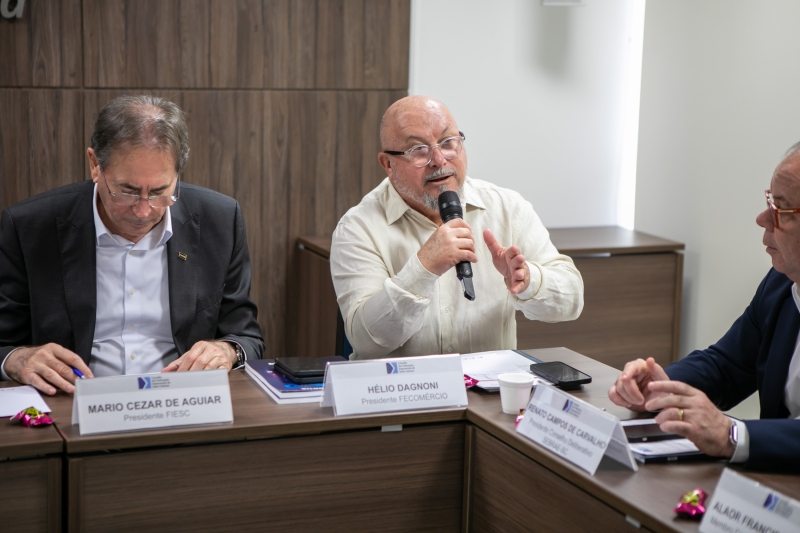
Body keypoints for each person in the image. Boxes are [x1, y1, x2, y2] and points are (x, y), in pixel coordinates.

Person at [0, 95, 265, 395]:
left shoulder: (220, 220)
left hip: (183, 407)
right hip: (74, 408)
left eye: (159, 192)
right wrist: (17, 359)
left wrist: (227, 351)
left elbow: (247, 338)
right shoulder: (30, 228)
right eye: (126, 191)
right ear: (95, 165)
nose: (143, 211)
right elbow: (4, 343)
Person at [330, 95, 584, 360]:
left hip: (489, 395)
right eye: (419, 150)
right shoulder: (357, 228)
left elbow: (572, 301)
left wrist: (528, 279)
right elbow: (366, 340)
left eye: (448, 143)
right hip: (400, 394)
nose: (439, 160)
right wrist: (422, 268)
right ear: (388, 164)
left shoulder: (507, 208)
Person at [608, 145, 800, 471]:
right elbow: (726, 366)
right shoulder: (782, 284)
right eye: (770, 201)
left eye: (780, 209)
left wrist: (732, 434)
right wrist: (659, 386)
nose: (761, 219)